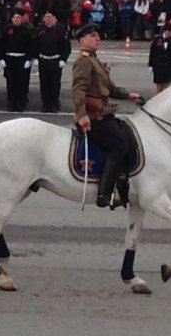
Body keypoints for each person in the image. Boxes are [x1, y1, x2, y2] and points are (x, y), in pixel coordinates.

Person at [71, 23, 144, 209]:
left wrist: (128, 95)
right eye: (93, 36)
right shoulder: (84, 61)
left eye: (98, 36)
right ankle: (105, 192)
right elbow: (79, 90)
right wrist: (82, 116)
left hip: (103, 112)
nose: (98, 39)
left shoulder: (94, 60)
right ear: (82, 41)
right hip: (93, 116)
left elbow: (109, 88)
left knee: (126, 136)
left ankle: (121, 181)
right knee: (118, 145)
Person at [36, 11, 70, 113]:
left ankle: (54, 103)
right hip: (43, 60)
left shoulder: (60, 30)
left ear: (54, 18)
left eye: (50, 17)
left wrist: (63, 59)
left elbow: (66, 47)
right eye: (46, 17)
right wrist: (35, 57)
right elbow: (35, 45)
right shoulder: (39, 30)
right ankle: (45, 104)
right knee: (44, 83)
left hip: (55, 60)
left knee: (55, 83)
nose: (48, 19)